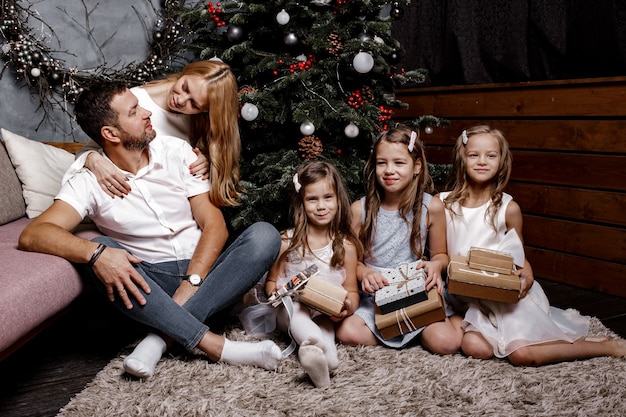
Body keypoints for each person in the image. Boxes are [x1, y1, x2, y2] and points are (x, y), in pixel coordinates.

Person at [18, 80, 283, 379]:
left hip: (211, 275)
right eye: (134, 111)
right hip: (151, 285)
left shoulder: (177, 151)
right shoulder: (88, 182)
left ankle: (157, 339)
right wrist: (97, 253)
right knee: (101, 248)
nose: (147, 113)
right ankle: (220, 346)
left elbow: (214, 225)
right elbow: (33, 233)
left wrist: (193, 280)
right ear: (110, 133)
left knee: (265, 235)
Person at [438, 125, 626, 365]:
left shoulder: (508, 208)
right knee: (474, 347)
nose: (482, 161)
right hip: (471, 297)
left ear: (501, 161)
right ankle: (569, 341)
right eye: (474, 155)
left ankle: (603, 347)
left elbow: (519, 254)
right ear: (461, 158)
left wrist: (527, 274)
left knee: (521, 354)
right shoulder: (443, 205)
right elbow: (440, 253)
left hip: (504, 296)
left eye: (491, 155)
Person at [335, 124, 464, 354]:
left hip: (415, 291)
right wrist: (364, 273)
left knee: (447, 343)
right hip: (376, 295)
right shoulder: (360, 210)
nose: (389, 170)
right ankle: (402, 330)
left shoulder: (431, 206)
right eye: (382, 163)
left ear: (416, 166)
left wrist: (436, 265)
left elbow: (441, 255)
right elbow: (351, 261)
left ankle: (450, 320)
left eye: (399, 163)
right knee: (347, 333)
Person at [241, 161, 361, 387]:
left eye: (328, 197)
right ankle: (309, 343)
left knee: (326, 327)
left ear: (338, 199)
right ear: (301, 202)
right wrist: (275, 292)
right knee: (298, 311)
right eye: (312, 199)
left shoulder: (346, 246)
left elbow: (353, 290)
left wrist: (347, 307)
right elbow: (272, 281)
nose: (321, 206)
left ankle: (327, 363)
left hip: (326, 311)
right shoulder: (288, 241)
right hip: (290, 308)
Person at [72, 59, 240, 207]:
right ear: (187, 71)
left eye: (194, 104)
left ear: (205, 111)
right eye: (185, 87)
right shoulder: (136, 102)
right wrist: (93, 160)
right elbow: (92, 147)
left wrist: (207, 160)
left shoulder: (200, 121)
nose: (180, 100)